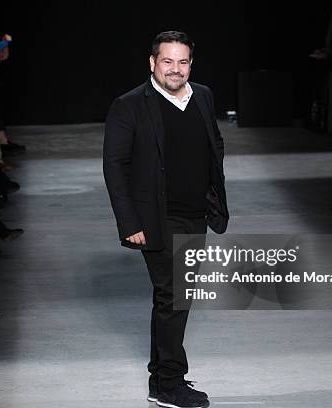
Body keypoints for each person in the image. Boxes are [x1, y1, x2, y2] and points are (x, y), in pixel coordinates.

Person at [103, 31, 229, 408]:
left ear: (191, 63)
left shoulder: (202, 96)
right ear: (152, 62)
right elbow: (115, 166)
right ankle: (168, 383)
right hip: (156, 217)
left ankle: (164, 376)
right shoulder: (129, 105)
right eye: (168, 61)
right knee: (174, 296)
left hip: (195, 214)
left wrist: (212, 195)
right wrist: (130, 223)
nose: (176, 69)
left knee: (176, 296)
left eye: (183, 62)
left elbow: (214, 144)